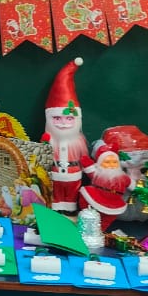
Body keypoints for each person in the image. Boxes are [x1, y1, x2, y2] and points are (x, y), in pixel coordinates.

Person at [42, 56, 93, 214]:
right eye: (57, 118)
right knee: (55, 195)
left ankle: (70, 209)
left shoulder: (79, 141)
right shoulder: (50, 139)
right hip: (55, 175)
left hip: (74, 175)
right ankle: (56, 208)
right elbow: (41, 156)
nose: (63, 123)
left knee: (72, 195)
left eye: (69, 119)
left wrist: (91, 169)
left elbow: (85, 159)